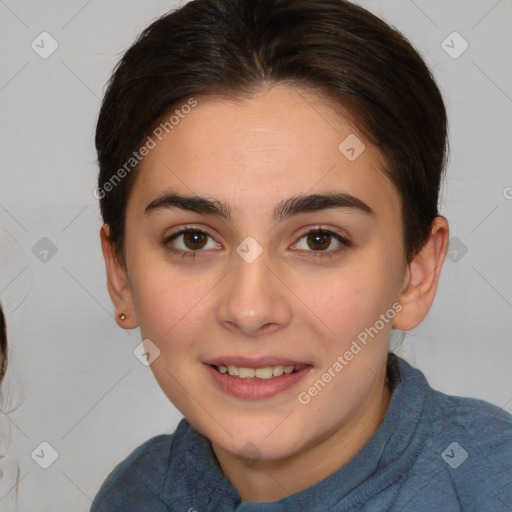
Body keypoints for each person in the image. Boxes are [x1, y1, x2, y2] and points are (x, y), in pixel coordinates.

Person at [90, 0, 512, 510]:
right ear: (121, 274)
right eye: (194, 239)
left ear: (416, 273)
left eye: (319, 240)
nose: (250, 310)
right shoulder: (131, 494)